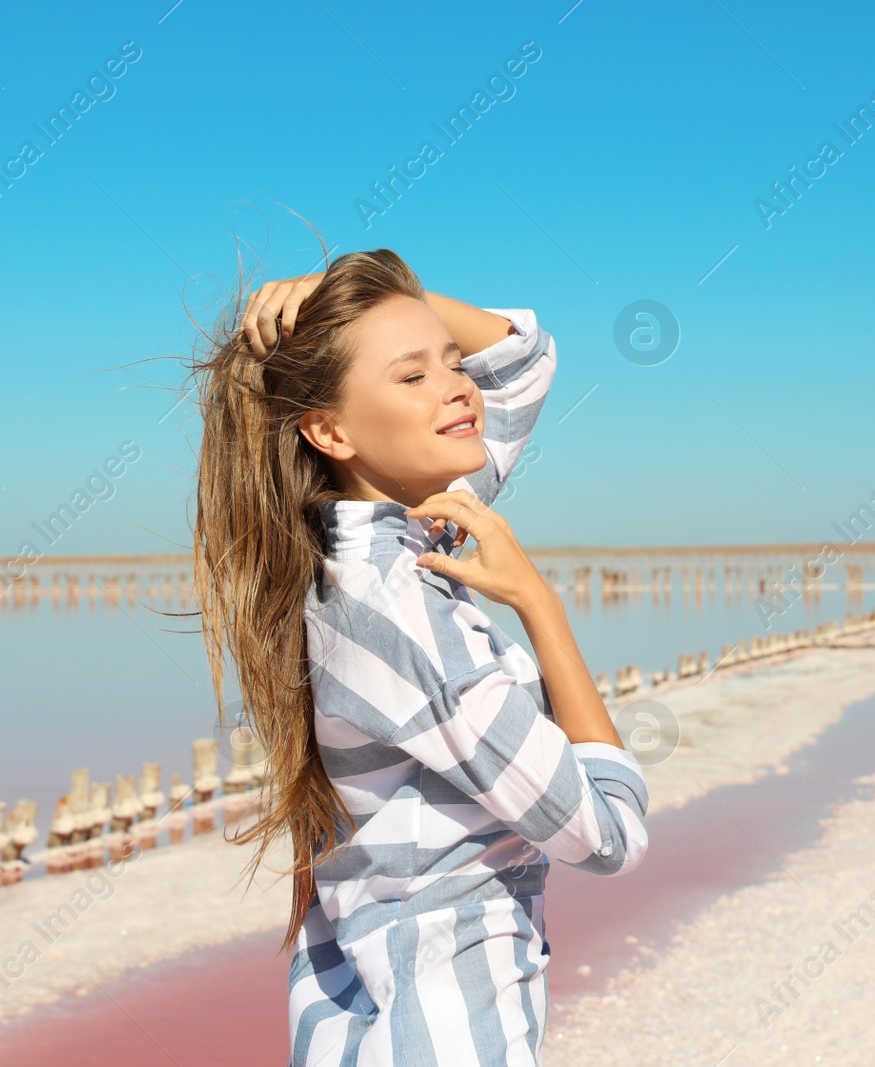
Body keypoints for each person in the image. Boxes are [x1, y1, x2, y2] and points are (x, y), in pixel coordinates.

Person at [185, 248, 649, 1066]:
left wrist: (363, 300)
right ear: (330, 430)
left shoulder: (397, 539)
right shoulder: (402, 608)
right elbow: (608, 833)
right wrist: (540, 605)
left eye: (450, 361)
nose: (457, 384)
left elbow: (521, 357)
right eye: (412, 377)